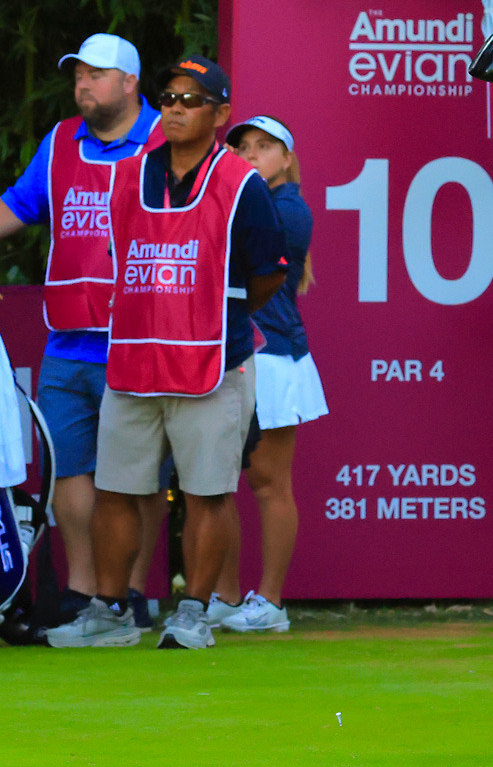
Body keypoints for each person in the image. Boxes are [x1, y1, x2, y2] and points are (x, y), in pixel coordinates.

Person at [45, 55, 286, 650]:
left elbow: (268, 276)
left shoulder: (242, 184)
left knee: (209, 491)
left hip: (210, 360)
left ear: (220, 113)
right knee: (118, 488)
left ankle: (194, 611)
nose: (175, 107)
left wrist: (213, 317)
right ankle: (111, 609)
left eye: (191, 99)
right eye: (169, 96)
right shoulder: (130, 174)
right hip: (132, 359)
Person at [0, 33, 169, 629]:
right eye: (77, 75)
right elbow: (17, 209)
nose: (82, 85)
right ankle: (79, 593)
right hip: (67, 338)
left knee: (140, 476)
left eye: (96, 75)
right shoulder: (58, 140)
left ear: (129, 83)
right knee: (67, 470)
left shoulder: (165, 140)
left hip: (142, 340)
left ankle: (130, 593)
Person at [204, 115, 328, 633]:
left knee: (269, 483)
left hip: (274, 358)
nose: (250, 153)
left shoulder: (288, 209)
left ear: (286, 159)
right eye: (242, 146)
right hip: (232, 353)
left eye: (263, 146)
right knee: (217, 482)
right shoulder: (239, 202)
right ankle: (228, 597)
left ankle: (271, 603)